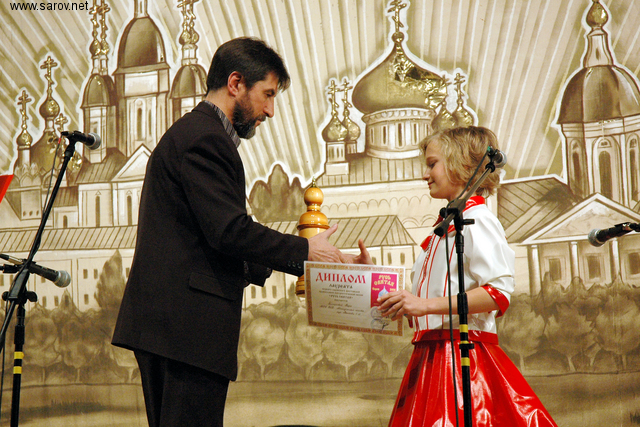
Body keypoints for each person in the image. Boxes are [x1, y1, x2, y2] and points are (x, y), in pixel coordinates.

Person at [112, 37, 365, 427]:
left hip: (176, 329)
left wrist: (324, 263)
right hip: (185, 330)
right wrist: (307, 251)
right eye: (268, 94)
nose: (271, 111)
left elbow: (209, 239)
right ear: (235, 83)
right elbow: (229, 231)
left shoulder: (200, 134)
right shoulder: (205, 138)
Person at [376, 126, 557, 426]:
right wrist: (374, 278)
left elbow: (497, 294)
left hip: (462, 357)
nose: (425, 174)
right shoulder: (443, 230)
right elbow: (422, 302)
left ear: (460, 164)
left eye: (432, 164)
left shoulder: (478, 220)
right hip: (430, 356)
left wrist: (423, 306)